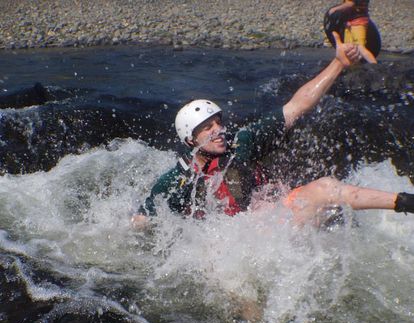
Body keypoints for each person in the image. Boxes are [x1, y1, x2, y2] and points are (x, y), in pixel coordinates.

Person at [131, 32, 414, 230]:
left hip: (271, 222)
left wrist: (338, 64)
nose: (218, 131)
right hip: (226, 242)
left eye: (218, 123)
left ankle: (404, 202)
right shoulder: (178, 180)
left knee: (327, 187)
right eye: (208, 128)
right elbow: (142, 221)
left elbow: (295, 107)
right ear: (191, 140)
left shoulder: (242, 143)